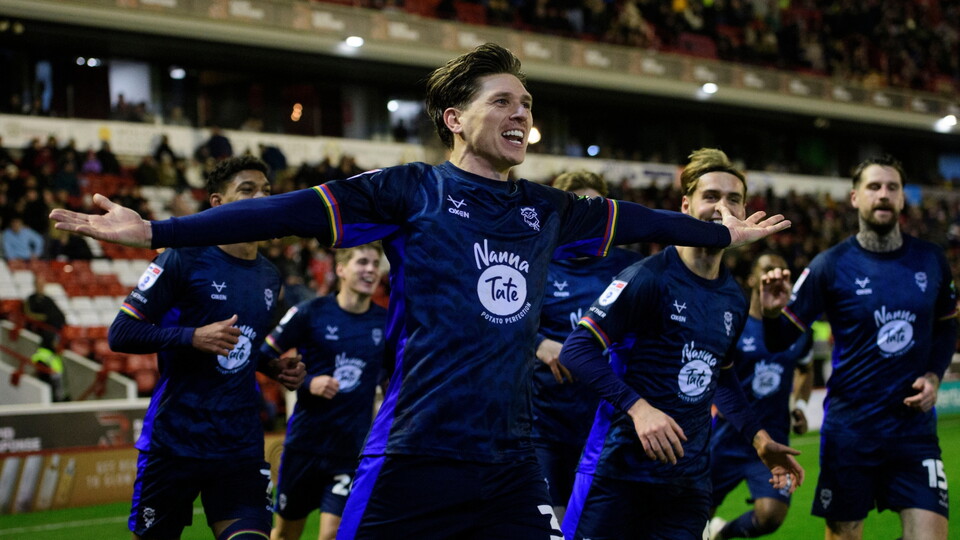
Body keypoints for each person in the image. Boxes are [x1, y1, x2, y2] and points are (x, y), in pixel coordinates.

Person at [51, 43, 790, 539]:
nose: (523, 114)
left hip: (510, 458)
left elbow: (646, 219)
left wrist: (725, 236)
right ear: (454, 118)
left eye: (527, 104)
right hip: (414, 452)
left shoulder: (548, 209)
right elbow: (285, 209)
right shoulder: (412, 191)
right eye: (504, 101)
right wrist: (155, 231)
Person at [559, 149, 804, 540]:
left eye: (733, 198)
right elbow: (577, 350)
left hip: (688, 485)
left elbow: (720, 377)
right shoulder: (647, 277)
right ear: (686, 206)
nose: (722, 206)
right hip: (618, 472)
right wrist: (640, 410)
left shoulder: (734, 298)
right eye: (711, 196)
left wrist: (759, 439)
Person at [106, 156, 305, 540]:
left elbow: (240, 345)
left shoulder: (269, 274)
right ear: (217, 204)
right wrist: (191, 337)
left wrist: (272, 366)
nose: (260, 199)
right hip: (175, 442)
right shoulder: (182, 256)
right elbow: (121, 333)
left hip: (239, 446)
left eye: (266, 191)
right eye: (247, 191)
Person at [760, 155, 957, 540]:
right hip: (851, 432)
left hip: (913, 431)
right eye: (873, 187)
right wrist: (771, 314)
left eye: (892, 188)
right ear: (854, 198)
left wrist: (934, 374)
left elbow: (948, 326)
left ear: (902, 200)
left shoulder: (931, 260)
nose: (883, 195)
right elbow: (779, 340)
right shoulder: (829, 266)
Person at [532, 170, 642, 523]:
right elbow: (498, 324)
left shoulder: (628, 267)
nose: (586, 215)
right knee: (549, 527)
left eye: (595, 207)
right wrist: (539, 343)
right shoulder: (536, 262)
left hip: (605, 428)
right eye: (577, 207)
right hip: (544, 425)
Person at [263, 244, 387, 540]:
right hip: (305, 446)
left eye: (375, 263)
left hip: (349, 451)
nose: (370, 269)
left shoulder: (385, 322)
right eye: (362, 262)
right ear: (341, 269)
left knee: (333, 534)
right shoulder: (310, 312)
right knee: (284, 534)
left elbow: (392, 377)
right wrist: (306, 382)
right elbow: (264, 356)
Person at [704, 252, 814, 540]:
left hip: (773, 437)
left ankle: (722, 535)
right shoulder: (733, 325)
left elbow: (805, 369)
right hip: (726, 437)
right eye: (767, 269)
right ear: (753, 278)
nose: (775, 274)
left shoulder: (798, 331)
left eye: (782, 269)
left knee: (771, 515)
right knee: (695, 510)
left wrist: (800, 404)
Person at [24, 274, 68, 402]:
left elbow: (60, 316)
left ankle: (59, 396)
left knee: (58, 375)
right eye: (38, 284)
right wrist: (45, 319)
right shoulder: (31, 300)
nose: (41, 286)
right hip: (43, 341)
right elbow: (30, 316)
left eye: (42, 284)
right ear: (34, 285)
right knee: (44, 374)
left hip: (54, 342)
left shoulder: (48, 300)